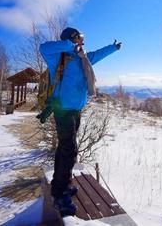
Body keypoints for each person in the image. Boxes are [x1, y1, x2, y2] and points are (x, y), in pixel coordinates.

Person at [37, 27, 121, 217]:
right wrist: (69, 43)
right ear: (71, 39)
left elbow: (99, 54)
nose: (82, 42)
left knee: (64, 148)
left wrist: (113, 48)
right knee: (70, 149)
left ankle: (61, 184)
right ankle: (60, 194)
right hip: (63, 110)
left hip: (76, 110)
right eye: (79, 38)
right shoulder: (58, 57)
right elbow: (43, 47)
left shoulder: (84, 58)